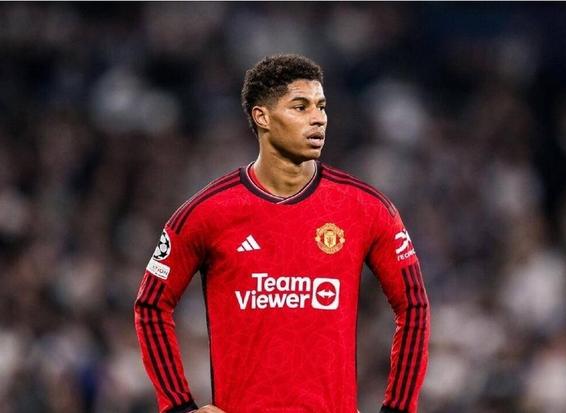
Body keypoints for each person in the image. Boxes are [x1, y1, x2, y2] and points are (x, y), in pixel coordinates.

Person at [134, 54, 430, 413]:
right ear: (263, 117)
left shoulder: (366, 208)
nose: (318, 118)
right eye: (300, 107)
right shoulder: (207, 212)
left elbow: (413, 304)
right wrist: (178, 406)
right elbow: (151, 304)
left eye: (321, 106)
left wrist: (399, 407)